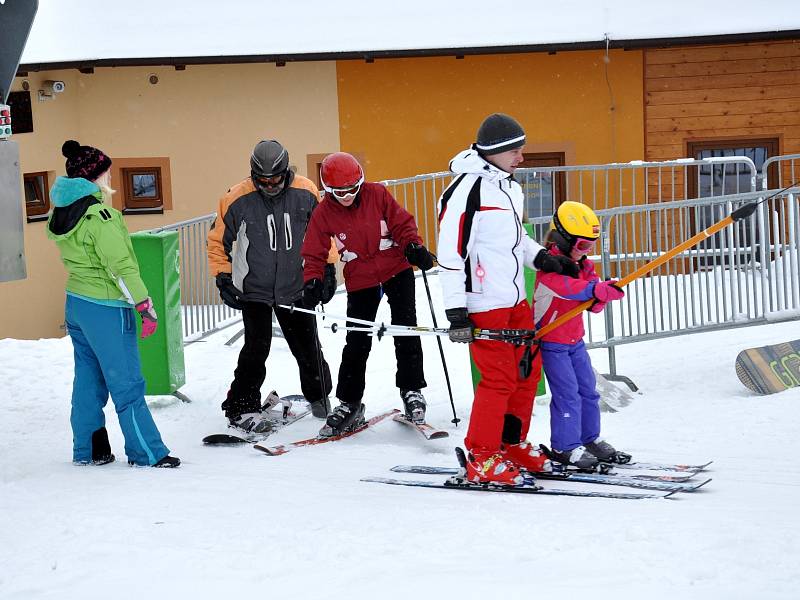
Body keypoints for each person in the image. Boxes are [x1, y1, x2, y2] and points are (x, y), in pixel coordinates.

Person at [437, 113, 578, 485]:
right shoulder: (466, 191)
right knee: (498, 380)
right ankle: (481, 454)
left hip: (517, 299)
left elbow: (515, 240)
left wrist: (544, 258)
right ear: (495, 151)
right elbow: (451, 255)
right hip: (485, 303)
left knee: (526, 375)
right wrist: (456, 311)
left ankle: (510, 443)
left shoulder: (508, 188)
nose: (521, 157)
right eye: (515, 150)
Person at [47, 140, 180, 468]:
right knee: (127, 383)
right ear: (92, 177)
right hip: (107, 307)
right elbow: (121, 267)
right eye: (105, 171)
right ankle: (146, 453)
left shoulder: (66, 211)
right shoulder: (100, 214)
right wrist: (144, 305)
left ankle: (89, 449)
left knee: (88, 379)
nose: (109, 176)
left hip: (77, 303)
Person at [301, 152, 434, 437]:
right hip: (360, 277)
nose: (347, 196)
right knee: (357, 340)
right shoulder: (324, 212)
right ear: (328, 190)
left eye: (352, 188)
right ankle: (349, 401)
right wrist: (312, 281)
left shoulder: (377, 194)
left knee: (405, 329)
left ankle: (412, 390)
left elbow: (402, 223)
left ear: (361, 182)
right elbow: (313, 252)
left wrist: (413, 246)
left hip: (396, 267)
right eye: (339, 192)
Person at [207, 140, 336, 432]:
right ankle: (241, 405)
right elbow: (217, 241)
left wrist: (327, 269)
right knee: (256, 348)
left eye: (275, 178)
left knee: (307, 347)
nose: (270, 184)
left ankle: (320, 396)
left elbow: (323, 233)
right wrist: (223, 276)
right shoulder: (237, 197)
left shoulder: (305, 191)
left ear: (286, 171)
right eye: (263, 180)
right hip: (254, 289)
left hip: (296, 285)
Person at [533, 201, 626, 469]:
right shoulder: (548, 268)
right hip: (552, 343)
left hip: (575, 341)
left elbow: (591, 296)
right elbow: (569, 289)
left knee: (588, 390)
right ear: (563, 241)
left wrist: (601, 296)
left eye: (591, 246)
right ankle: (564, 447)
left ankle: (589, 439)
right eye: (583, 245)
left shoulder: (583, 266)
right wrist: (594, 291)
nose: (587, 252)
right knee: (567, 395)